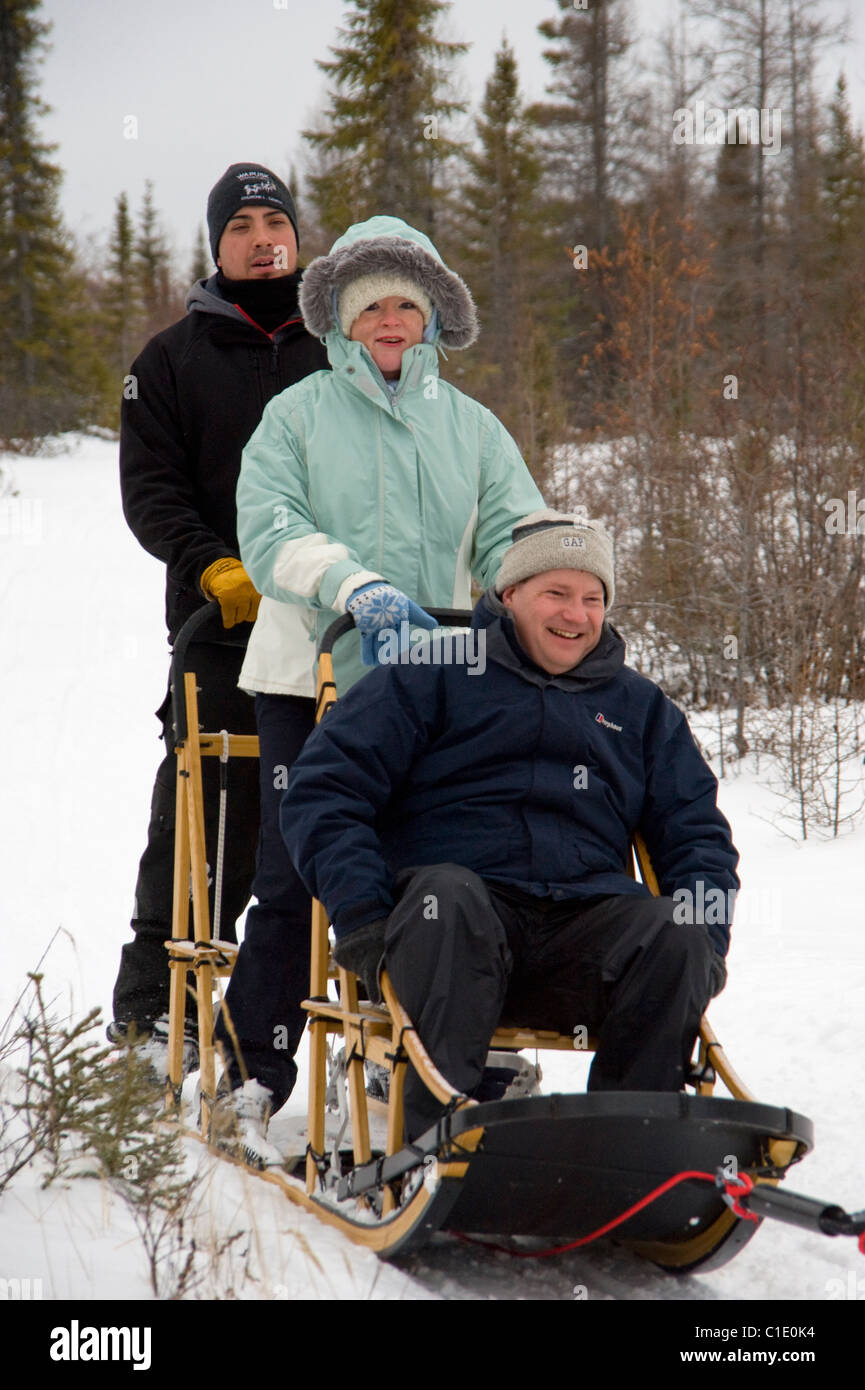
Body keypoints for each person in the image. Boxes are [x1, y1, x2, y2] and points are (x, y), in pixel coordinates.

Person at [210, 216, 543, 1161]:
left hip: (431, 679)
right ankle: (249, 1074)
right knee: (299, 874)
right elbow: (268, 528)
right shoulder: (298, 414)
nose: (391, 321)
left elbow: (512, 532)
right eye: (372, 307)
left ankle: (433, 1064)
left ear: (432, 316)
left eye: (407, 304)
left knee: (435, 866)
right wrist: (353, 584)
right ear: (343, 322)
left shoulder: (470, 425)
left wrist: (553, 589)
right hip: (308, 676)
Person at [281, 511, 739, 1142]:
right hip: (452, 930)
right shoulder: (435, 671)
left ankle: (632, 1149)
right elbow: (326, 788)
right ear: (509, 594)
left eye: (592, 598)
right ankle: (431, 1145)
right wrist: (361, 912)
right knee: (452, 898)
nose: (575, 615)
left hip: (584, 936)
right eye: (556, 593)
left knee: (677, 932)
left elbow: (698, 836)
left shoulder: (641, 709)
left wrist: (708, 940)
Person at [109, 164, 328, 1067]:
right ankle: (155, 1007)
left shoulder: (336, 348)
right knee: (209, 819)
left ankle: (287, 1013)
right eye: (240, 224)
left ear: (299, 240)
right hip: (222, 625)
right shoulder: (170, 358)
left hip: (328, 631)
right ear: (217, 246)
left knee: (324, 820)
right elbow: (150, 490)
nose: (261, 235)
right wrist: (212, 567)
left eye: (275, 219)